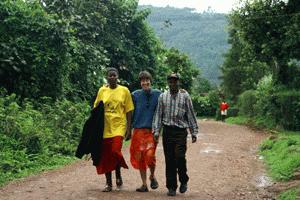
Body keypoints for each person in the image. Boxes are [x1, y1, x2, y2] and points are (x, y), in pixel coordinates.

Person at [152, 72, 199, 197]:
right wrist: (156, 131)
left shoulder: (185, 96)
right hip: (167, 131)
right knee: (170, 160)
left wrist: (193, 132)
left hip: (180, 132)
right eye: (171, 81)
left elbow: (190, 114)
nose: (173, 83)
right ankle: (171, 186)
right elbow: (158, 115)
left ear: (178, 82)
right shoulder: (163, 97)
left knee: (179, 157)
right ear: (168, 83)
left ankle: (183, 180)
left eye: (175, 81)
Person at [93, 67, 134, 192]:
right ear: (107, 77)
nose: (112, 77)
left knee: (115, 151)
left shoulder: (124, 90)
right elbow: (96, 108)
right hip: (105, 127)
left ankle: (118, 173)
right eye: (110, 75)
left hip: (119, 126)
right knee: (106, 155)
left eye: (114, 75)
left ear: (117, 76)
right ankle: (109, 183)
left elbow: (129, 110)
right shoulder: (102, 90)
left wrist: (128, 128)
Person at [128, 71, 161, 192]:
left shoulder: (159, 94)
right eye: (143, 80)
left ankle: (152, 176)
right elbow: (127, 107)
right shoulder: (135, 95)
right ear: (140, 82)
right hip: (137, 131)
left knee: (150, 156)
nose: (145, 82)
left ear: (150, 81)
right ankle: (144, 184)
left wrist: (182, 91)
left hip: (151, 131)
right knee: (140, 158)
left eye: (147, 80)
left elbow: (169, 98)